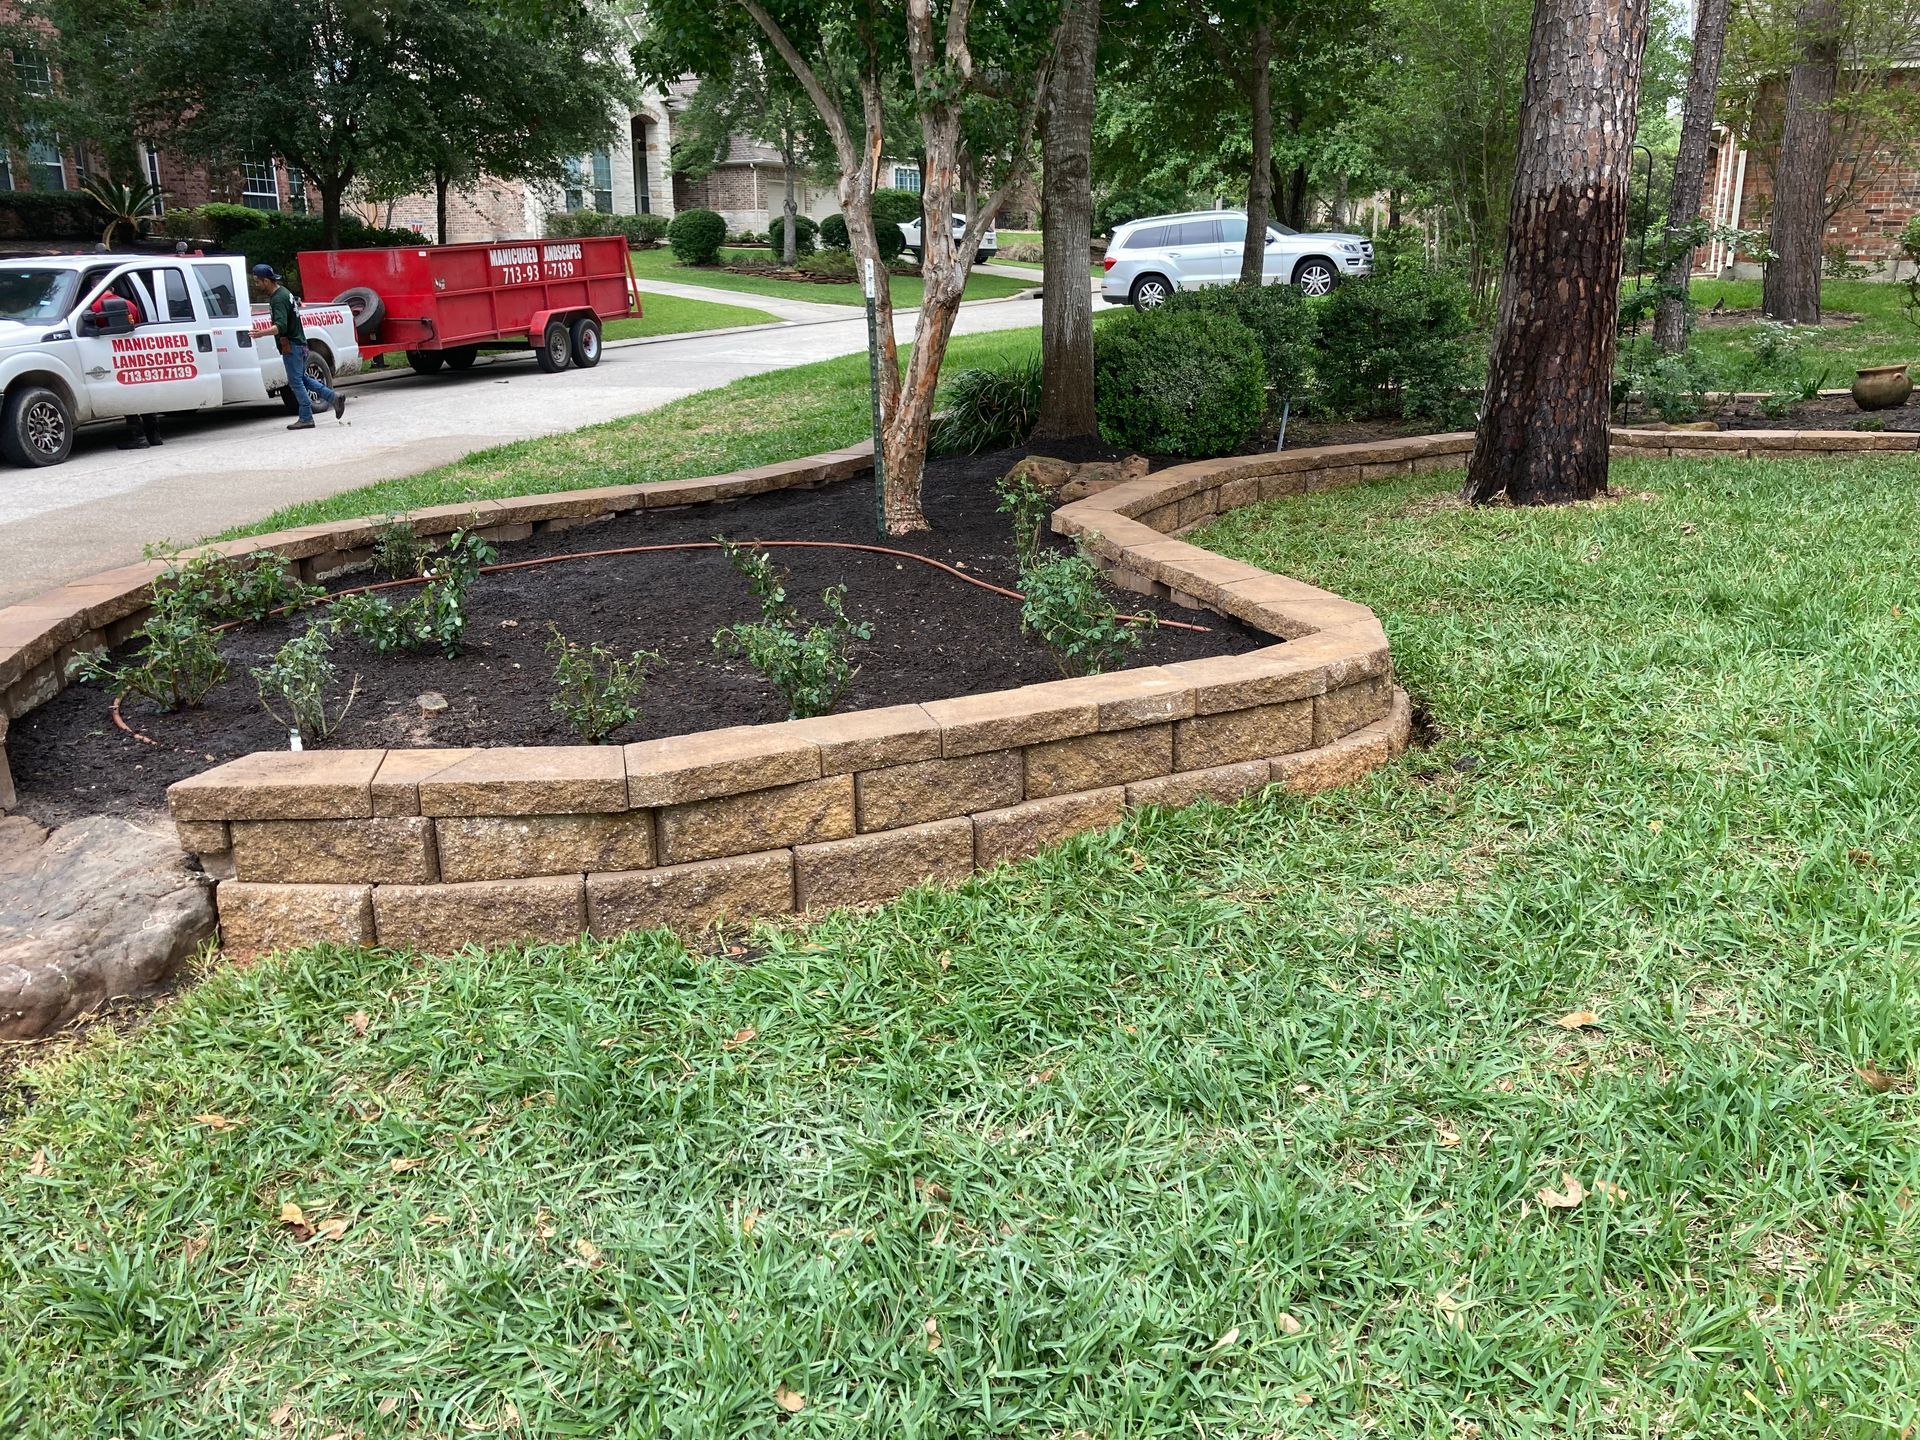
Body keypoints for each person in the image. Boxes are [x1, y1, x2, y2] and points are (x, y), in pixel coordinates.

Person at [251, 263, 346, 430]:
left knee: (295, 382)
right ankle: (333, 397)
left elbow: (280, 326)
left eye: (257, 281)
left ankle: (306, 417)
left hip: (292, 346)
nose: (256, 285)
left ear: (266, 281)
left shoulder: (278, 299)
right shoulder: (285, 293)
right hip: (299, 344)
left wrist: (261, 333)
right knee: (302, 378)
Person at [87, 282, 162, 450]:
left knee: (127, 394)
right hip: (135, 353)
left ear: (93, 289)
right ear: (112, 289)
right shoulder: (129, 304)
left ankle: (139, 437)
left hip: (112, 354)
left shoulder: (94, 306)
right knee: (142, 392)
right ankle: (154, 435)